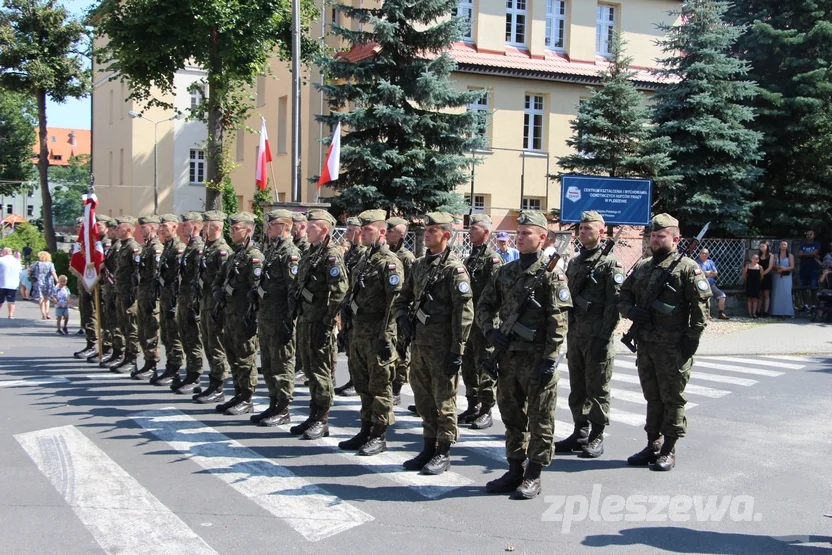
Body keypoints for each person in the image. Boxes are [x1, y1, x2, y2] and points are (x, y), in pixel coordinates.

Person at [476, 210, 571, 498]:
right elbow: (483, 306)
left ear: (543, 238)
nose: (520, 237)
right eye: (519, 232)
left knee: (541, 418)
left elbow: (559, 321)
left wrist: (550, 358)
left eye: (527, 233)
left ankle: (534, 474)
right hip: (507, 358)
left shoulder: (552, 275)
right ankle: (515, 469)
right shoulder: (505, 272)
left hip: (537, 357)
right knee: (512, 416)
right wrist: (490, 332)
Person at [618, 214, 711, 472]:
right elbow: (623, 294)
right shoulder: (643, 266)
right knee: (652, 397)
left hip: (673, 347)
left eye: (662, 236)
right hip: (646, 345)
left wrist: (690, 343)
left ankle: (669, 449)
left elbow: (700, 311)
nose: (656, 240)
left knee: (673, 398)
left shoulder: (687, 268)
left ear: (675, 239)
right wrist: (629, 311)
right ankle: (653, 444)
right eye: (653, 236)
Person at [391, 212, 473, 476]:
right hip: (420, 345)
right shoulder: (418, 265)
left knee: (444, 401)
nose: (426, 235)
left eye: (433, 231)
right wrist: (402, 317)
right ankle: (428, 446)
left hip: (443, 347)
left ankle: (444, 451)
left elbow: (464, 312)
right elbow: (402, 297)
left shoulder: (454, 269)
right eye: (426, 231)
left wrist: (457, 350)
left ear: (446, 235)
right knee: (423, 399)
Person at [556, 211, 624, 459]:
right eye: (581, 228)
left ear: (601, 232)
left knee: (598, 388)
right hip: (575, 336)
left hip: (597, 337)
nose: (583, 232)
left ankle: (596, 435)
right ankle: (579, 431)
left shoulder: (611, 264)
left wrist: (604, 338)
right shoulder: (574, 262)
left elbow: (613, 304)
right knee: (578, 388)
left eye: (588, 228)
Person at [337, 209, 402, 456]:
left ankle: (379, 434)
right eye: (362, 229)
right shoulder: (365, 259)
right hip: (359, 332)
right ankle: (365, 428)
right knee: (363, 385)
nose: (363, 233)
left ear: (382, 232)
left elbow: (394, 304)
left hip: (377, 333)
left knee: (380, 386)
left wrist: (387, 337)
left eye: (368, 230)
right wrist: (346, 328)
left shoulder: (390, 262)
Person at [288, 209, 348, 439]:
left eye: (311, 226)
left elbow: (339, 291)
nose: (305, 229)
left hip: (319, 322)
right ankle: (313, 415)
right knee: (311, 371)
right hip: (305, 319)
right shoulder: (312, 254)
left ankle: (322, 420)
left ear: (323, 230)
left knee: (321, 372)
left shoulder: (331, 255)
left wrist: (328, 321)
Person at [250, 209, 300, 427]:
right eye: (268, 225)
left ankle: (283, 408)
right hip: (267, 317)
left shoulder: (290, 253)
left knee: (282, 364)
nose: (268, 229)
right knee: (269, 364)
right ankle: (273, 403)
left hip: (280, 319)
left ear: (285, 227)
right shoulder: (273, 251)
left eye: (272, 225)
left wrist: (289, 320)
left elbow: (293, 290)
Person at [211, 212, 264, 416]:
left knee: (245, 357)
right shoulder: (234, 256)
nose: (231, 232)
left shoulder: (254, 257)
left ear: (248, 230)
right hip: (229, 314)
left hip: (244, 315)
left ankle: (247, 397)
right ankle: (238, 392)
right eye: (231, 229)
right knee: (232, 356)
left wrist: (253, 314)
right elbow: (218, 278)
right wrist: (218, 290)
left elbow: (257, 288)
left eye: (236, 229)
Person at [459, 213, 502, 430]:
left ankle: (486, 409)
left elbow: (496, 292)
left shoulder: (492, 259)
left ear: (485, 232)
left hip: (485, 322)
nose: (469, 231)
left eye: (474, 228)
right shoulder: (470, 258)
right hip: (469, 321)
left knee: (485, 365)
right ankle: (472, 405)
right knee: (468, 365)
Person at [193, 211, 231, 403]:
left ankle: (219, 386)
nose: (202, 227)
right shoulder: (208, 249)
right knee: (208, 344)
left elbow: (224, 279)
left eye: (206, 224)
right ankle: (213, 383)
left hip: (216, 306)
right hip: (205, 303)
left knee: (216, 346)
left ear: (216, 227)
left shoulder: (222, 251)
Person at [173, 212, 206, 395]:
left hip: (193, 301)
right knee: (186, 337)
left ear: (194, 226)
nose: (182, 227)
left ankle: (195, 376)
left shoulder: (198, 248)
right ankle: (190, 373)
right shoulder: (190, 246)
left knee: (193, 340)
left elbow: (198, 277)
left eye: (185, 224)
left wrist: (195, 303)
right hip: (185, 300)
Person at [150, 214, 185, 386]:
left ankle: (176, 370)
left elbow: (179, 277)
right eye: (161, 226)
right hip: (165, 298)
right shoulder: (167, 246)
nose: (161, 229)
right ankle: (170, 367)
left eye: (165, 226)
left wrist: (175, 301)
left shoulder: (178, 247)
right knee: (166, 335)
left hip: (172, 299)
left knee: (174, 336)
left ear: (174, 227)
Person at [335, 216, 367, 397]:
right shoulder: (351, 252)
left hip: (356, 306)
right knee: (349, 345)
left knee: (356, 346)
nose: (346, 234)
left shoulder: (362, 253)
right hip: (347, 304)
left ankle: (357, 382)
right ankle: (352, 379)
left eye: (350, 230)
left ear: (359, 232)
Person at [387, 217, 416, 406]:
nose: (387, 233)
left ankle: (397, 389)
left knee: (402, 352)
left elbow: (411, 288)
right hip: (389, 312)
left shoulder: (407, 257)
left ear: (401, 234)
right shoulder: (387, 254)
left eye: (391, 231)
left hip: (402, 312)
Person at [108, 216, 141, 374]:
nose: (117, 230)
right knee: (123, 326)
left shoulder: (133, 247)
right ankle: (126, 356)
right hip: (120, 292)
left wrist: (133, 293)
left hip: (128, 293)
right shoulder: (123, 246)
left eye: (120, 228)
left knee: (131, 327)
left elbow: (137, 272)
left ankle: (132, 358)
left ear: (128, 229)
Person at [133, 215, 163, 380]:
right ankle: (147, 362)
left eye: (143, 227)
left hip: (151, 296)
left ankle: (152, 365)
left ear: (152, 228)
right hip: (143, 294)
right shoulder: (147, 246)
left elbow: (156, 274)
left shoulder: (156, 248)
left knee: (151, 331)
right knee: (143, 331)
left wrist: (154, 295)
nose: (140, 230)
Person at [695, 248, 729, 320]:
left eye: (706, 253)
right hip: (702, 285)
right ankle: (707, 315)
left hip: (712, 284)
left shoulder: (711, 262)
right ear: (699, 254)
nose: (704, 255)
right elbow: (697, 274)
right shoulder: (696, 263)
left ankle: (720, 313)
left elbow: (715, 273)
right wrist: (707, 273)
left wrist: (706, 273)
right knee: (707, 298)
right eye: (702, 253)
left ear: (708, 255)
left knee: (722, 296)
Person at [797, 229, 822, 312]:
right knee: (803, 287)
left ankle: (814, 306)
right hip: (803, 269)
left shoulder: (817, 244)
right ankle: (806, 305)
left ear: (814, 235)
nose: (808, 236)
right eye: (807, 234)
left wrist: (804, 254)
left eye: (810, 234)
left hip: (814, 269)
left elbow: (814, 253)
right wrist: (811, 254)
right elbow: (799, 254)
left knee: (814, 288)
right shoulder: (802, 244)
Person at [770, 240, 795, 318]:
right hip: (777, 275)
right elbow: (772, 266)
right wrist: (779, 268)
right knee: (776, 292)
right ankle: (776, 312)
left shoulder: (790, 256)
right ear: (779, 246)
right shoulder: (775, 255)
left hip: (787, 276)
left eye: (785, 244)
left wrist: (784, 269)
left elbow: (792, 266)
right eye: (782, 244)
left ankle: (788, 312)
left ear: (787, 246)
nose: (783, 246)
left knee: (787, 293)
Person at [31, 251, 58, 321]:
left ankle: (43, 314)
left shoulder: (36, 264)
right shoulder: (50, 264)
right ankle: (47, 312)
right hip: (48, 282)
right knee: (47, 298)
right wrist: (58, 281)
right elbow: (53, 272)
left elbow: (30, 271)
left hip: (39, 282)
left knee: (41, 298)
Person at [0, 247, 22, 319]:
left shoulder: (1, 260)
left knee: (0, 300)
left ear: (5, 252)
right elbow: (20, 272)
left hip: (2, 283)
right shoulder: (17, 261)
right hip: (13, 284)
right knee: (11, 300)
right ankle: (11, 314)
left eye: (2, 252)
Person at [743, 254, 762, 319]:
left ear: (758, 260)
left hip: (756, 284)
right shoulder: (747, 266)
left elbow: (762, 276)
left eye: (756, 259)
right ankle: (750, 313)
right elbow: (745, 274)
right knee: (749, 298)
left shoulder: (760, 267)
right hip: (749, 284)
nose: (755, 260)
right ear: (751, 259)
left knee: (755, 299)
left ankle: (754, 313)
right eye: (754, 258)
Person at [757, 241, 773, 317]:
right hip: (759, 276)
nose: (761, 248)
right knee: (760, 294)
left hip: (767, 276)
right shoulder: (758, 256)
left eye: (763, 246)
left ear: (767, 247)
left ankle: (766, 311)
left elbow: (770, 267)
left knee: (766, 294)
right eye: (760, 246)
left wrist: (763, 274)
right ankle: (758, 310)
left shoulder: (770, 256)